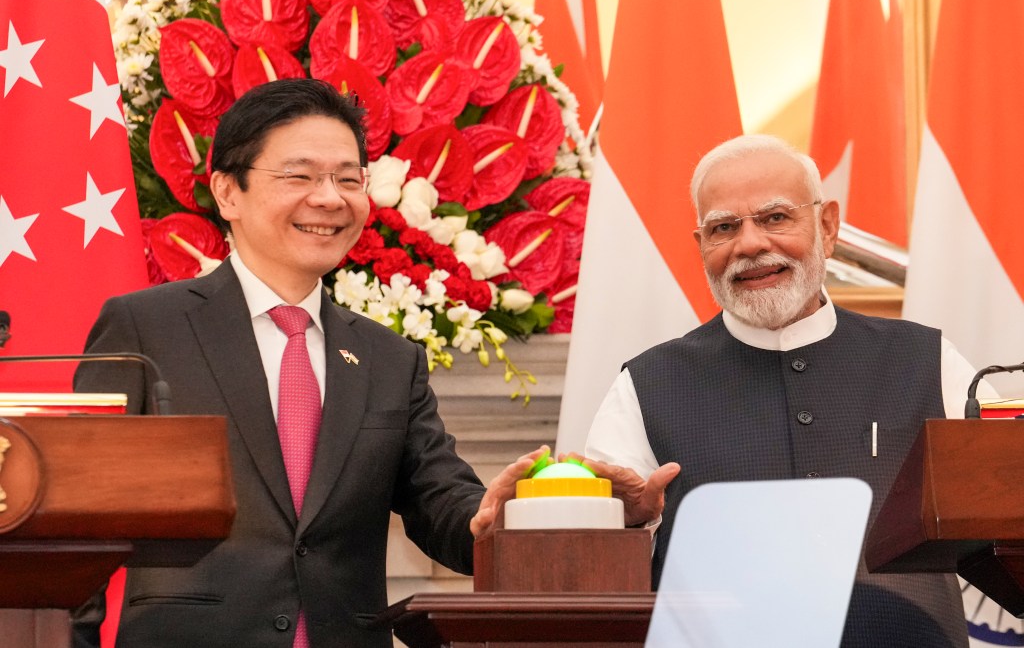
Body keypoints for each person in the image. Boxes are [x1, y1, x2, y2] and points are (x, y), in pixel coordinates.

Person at [72, 78, 543, 648]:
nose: (329, 198)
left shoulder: (389, 359)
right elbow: (79, 517)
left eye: (349, 179)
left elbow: (440, 499)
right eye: (300, 176)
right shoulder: (146, 330)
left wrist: (496, 518)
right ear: (228, 193)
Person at [580, 134, 992, 647]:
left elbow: (1000, 506)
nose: (750, 244)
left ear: (827, 225)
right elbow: (586, 559)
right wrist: (629, 525)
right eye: (724, 227)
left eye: (775, 218)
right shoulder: (646, 384)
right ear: (701, 246)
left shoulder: (927, 362)